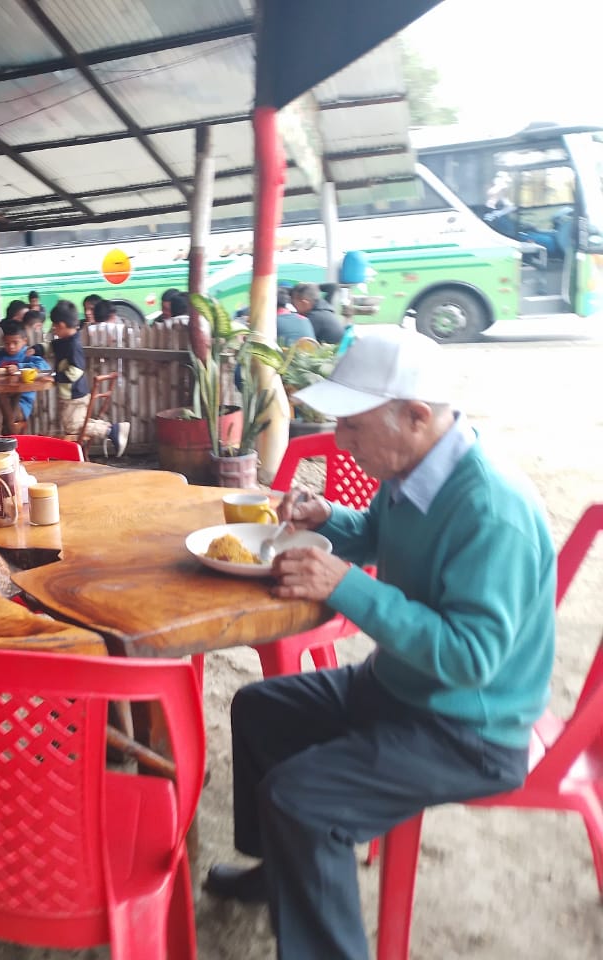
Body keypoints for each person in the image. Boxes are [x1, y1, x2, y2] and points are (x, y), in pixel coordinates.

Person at [204, 327, 554, 960]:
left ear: (416, 416)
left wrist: (346, 586)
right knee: (259, 708)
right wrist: (327, 519)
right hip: (402, 685)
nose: (340, 441)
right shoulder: (418, 466)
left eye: (353, 426)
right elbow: (377, 531)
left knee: (302, 801)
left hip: (469, 730)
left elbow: (470, 658)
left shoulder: (490, 510)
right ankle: (283, 871)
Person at [48, 301, 129, 457]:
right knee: (80, 421)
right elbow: (52, 346)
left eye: (54, 325)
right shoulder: (66, 341)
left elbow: (76, 371)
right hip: (77, 393)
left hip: (74, 395)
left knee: (73, 427)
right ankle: (114, 428)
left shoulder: (73, 345)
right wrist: (37, 349)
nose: (53, 328)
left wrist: (55, 378)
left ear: (62, 325)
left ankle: (110, 430)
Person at [0, 320, 51, 429]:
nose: (11, 346)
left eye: (15, 343)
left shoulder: (27, 354)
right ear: (3, 341)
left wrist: (19, 367)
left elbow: (44, 367)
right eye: (7, 343)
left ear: (24, 341)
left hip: (21, 404)